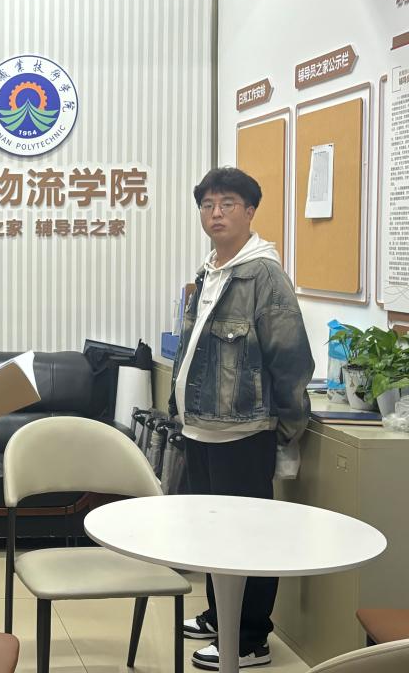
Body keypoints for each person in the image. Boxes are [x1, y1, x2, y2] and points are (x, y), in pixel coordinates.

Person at [170, 167, 314, 670]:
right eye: (208, 205)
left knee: (250, 538)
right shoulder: (211, 270)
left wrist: (287, 430)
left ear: (250, 211)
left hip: (244, 432)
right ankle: (219, 615)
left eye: (227, 204)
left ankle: (250, 638)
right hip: (199, 428)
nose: (216, 214)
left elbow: (290, 358)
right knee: (213, 534)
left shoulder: (264, 275)